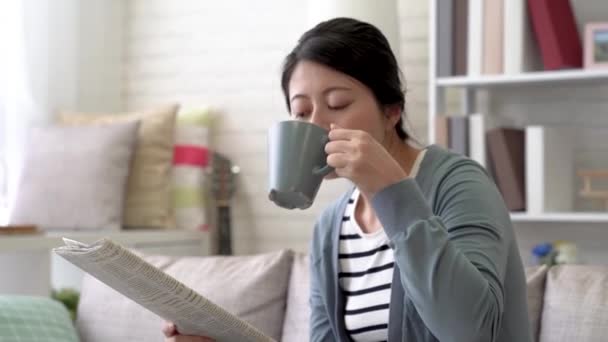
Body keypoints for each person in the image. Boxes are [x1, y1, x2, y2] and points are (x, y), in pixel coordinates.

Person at [164, 17, 532, 342]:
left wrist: (390, 190)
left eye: (338, 104)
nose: (318, 124)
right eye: (302, 111)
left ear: (392, 111)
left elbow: (470, 331)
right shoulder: (332, 225)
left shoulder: (457, 183)